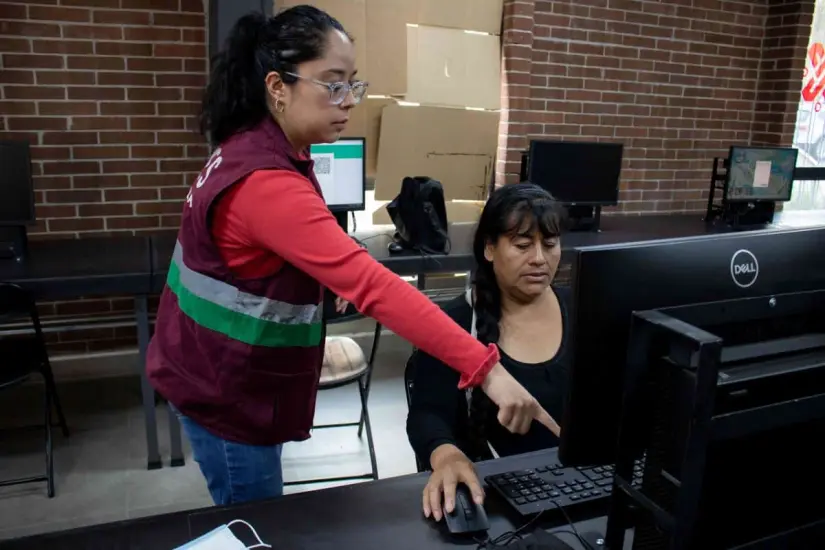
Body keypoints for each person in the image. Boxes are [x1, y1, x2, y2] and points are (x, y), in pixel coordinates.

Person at [146, 7, 557, 507]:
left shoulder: (253, 147)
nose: (348, 102)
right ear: (278, 85)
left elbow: (250, 257)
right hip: (228, 392)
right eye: (333, 84)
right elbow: (376, 287)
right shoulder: (265, 182)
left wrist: (318, 277)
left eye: (353, 86)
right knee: (257, 525)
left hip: (209, 367)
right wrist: (487, 370)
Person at [406, 183, 569, 522]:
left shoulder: (585, 308)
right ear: (490, 248)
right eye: (523, 245)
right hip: (494, 502)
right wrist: (447, 456)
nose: (539, 258)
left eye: (550, 244)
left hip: (576, 486)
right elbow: (426, 415)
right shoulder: (456, 324)